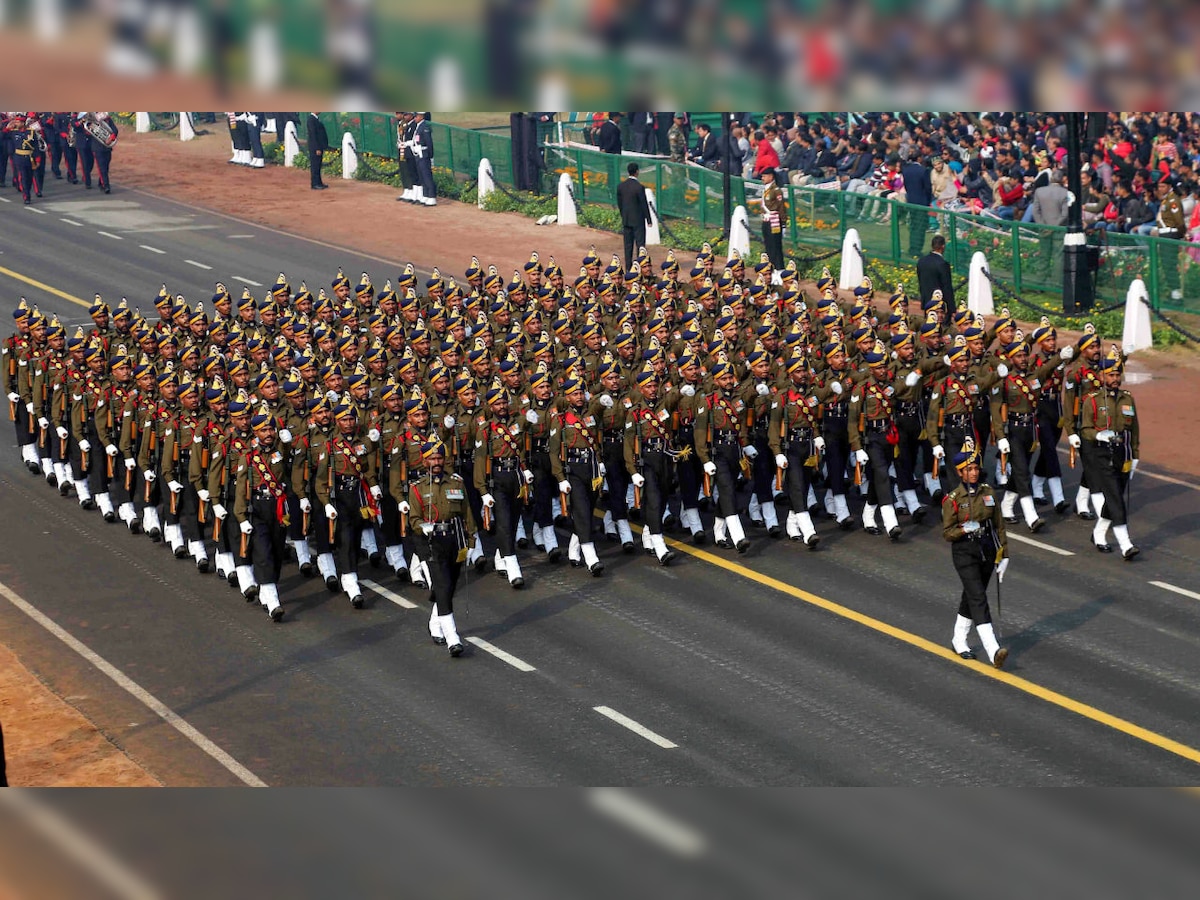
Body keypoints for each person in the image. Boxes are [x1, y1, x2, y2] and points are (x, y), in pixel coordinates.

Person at [942, 437, 1010, 668]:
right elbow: (947, 532)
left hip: (987, 550)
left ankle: (959, 639)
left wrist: (1004, 554)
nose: (973, 473)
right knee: (979, 597)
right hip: (964, 551)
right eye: (968, 469)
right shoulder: (952, 500)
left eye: (975, 468)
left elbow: (998, 524)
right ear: (960, 473)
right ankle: (993, 650)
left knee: (971, 595)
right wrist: (962, 528)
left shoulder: (988, 492)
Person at [408, 438, 475, 656]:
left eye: (439, 458)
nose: (436, 462)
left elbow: (467, 513)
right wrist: (422, 527)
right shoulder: (417, 488)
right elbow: (413, 519)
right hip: (431, 542)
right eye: (432, 459)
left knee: (449, 586)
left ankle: (435, 623)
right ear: (424, 461)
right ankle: (453, 637)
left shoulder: (456, 482)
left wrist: (472, 541)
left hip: (454, 539)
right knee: (443, 585)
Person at [1075, 346, 1140, 559]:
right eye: (1111, 374)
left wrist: (1136, 455)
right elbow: (1085, 429)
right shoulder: (1092, 400)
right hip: (1102, 454)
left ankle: (1099, 533)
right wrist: (1098, 435)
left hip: (1123, 454)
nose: (1115, 378)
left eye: (1117, 374)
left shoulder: (1127, 398)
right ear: (1102, 376)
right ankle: (1126, 544)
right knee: (1115, 498)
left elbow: (1135, 429)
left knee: (1116, 495)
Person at [233, 403, 290, 620]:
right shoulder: (248, 458)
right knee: (263, 552)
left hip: (277, 509)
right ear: (255, 433)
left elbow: (289, 461)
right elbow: (241, 488)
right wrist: (240, 517)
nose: (268, 434)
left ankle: (268, 588)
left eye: (271, 430)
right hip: (256, 508)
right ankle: (273, 601)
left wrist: (286, 442)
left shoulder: (279, 451)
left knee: (276, 552)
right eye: (264, 430)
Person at [617, 162, 652, 273]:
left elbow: (620, 204)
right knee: (640, 245)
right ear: (637, 172)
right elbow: (643, 204)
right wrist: (649, 219)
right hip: (638, 221)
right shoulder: (639, 187)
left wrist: (624, 215)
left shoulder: (621, 186)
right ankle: (640, 267)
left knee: (628, 245)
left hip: (626, 220)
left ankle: (628, 268)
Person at [901, 154, 933, 257]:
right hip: (921, 202)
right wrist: (928, 201)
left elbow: (906, 186)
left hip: (911, 201)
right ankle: (916, 250)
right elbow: (928, 188)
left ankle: (912, 248)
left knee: (913, 226)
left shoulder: (906, 170)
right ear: (919, 158)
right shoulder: (924, 170)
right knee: (920, 227)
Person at [917, 234, 956, 316]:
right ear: (943, 247)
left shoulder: (922, 261)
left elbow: (921, 282)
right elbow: (947, 287)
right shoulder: (943, 264)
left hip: (927, 303)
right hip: (940, 308)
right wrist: (951, 308)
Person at [760, 168, 787, 270]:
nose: (762, 178)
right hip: (766, 220)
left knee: (775, 245)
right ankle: (770, 266)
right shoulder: (766, 189)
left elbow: (781, 207)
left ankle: (779, 268)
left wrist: (783, 223)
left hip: (774, 221)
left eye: (764, 176)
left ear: (771, 176)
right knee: (768, 245)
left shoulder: (776, 190)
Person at [409, 112, 437, 206]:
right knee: (422, 176)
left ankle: (432, 196)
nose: (414, 118)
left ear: (421, 116)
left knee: (426, 176)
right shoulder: (418, 126)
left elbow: (429, 142)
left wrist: (430, 155)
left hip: (424, 154)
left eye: (416, 116)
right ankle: (425, 195)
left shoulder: (424, 127)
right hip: (418, 154)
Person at [306, 112, 329, 190]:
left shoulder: (316, 119)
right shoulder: (311, 120)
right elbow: (313, 135)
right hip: (315, 147)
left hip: (319, 146)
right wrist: (317, 148)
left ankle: (319, 182)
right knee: (315, 166)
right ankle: (315, 183)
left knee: (318, 165)